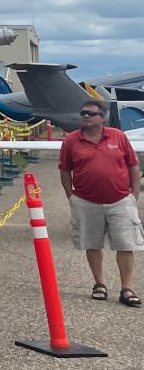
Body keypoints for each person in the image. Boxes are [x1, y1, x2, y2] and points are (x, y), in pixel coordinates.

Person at [59, 100, 142, 307]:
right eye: (83, 113)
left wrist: (134, 195)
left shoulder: (118, 137)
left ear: (102, 117)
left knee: (126, 244)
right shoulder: (71, 141)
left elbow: (133, 165)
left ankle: (127, 288)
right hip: (86, 202)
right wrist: (72, 197)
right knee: (92, 243)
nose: (86, 116)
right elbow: (64, 170)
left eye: (91, 113)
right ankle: (99, 284)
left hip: (121, 200)